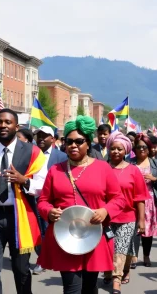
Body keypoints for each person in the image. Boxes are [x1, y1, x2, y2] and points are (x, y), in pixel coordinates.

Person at [37, 115, 125, 294]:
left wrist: (105, 210)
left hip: (94, 235)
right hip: (65, 236)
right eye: (68, 141)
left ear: (88, 143)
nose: (73, 145)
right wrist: (49, 211)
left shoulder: (103, 168)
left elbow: (119, 199)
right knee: (71, 288)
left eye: (79, 141)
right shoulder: (56, 169)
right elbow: (43, 201)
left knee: (90, 287)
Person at [0, 108, 47, 294]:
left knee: (21, 270)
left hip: (20, 218)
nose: (3, 125)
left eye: (7, 122)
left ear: (16, 126)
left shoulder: (33, 152)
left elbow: (42, 185)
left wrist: (24, 180)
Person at [104, 131, 149, 293]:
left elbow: (140, 198)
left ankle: (117, 280)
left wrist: (142, 221)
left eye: (120, 149)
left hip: (128, 217)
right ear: (108, 149)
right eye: (113, 148)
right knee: (110, 247)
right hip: (105, 217)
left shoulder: (133, 170)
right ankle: (112, 271)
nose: (116, 151)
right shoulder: (102, 168)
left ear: (126, 151)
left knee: (121, 247)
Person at [33, 125, 67, 275]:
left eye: (44, 136)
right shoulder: (30, 154)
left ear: (53, 139)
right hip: (31, 198)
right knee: (36, 231)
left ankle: (49, 258)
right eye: (38, 135)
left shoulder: (61, 157)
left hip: (51, 202)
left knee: (48, 231)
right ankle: (42, 258)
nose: (41, 138)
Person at [128, 134, 157, 268]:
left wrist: (154, 179)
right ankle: (133, 256)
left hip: (150, 200)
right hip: (133, 200)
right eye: (138, 146)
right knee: (133, 229)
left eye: (144, 147)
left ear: (149, 148)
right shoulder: (129, 162)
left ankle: (146, 255)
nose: (141, 149)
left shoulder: (154, 162)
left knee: (147, 231)